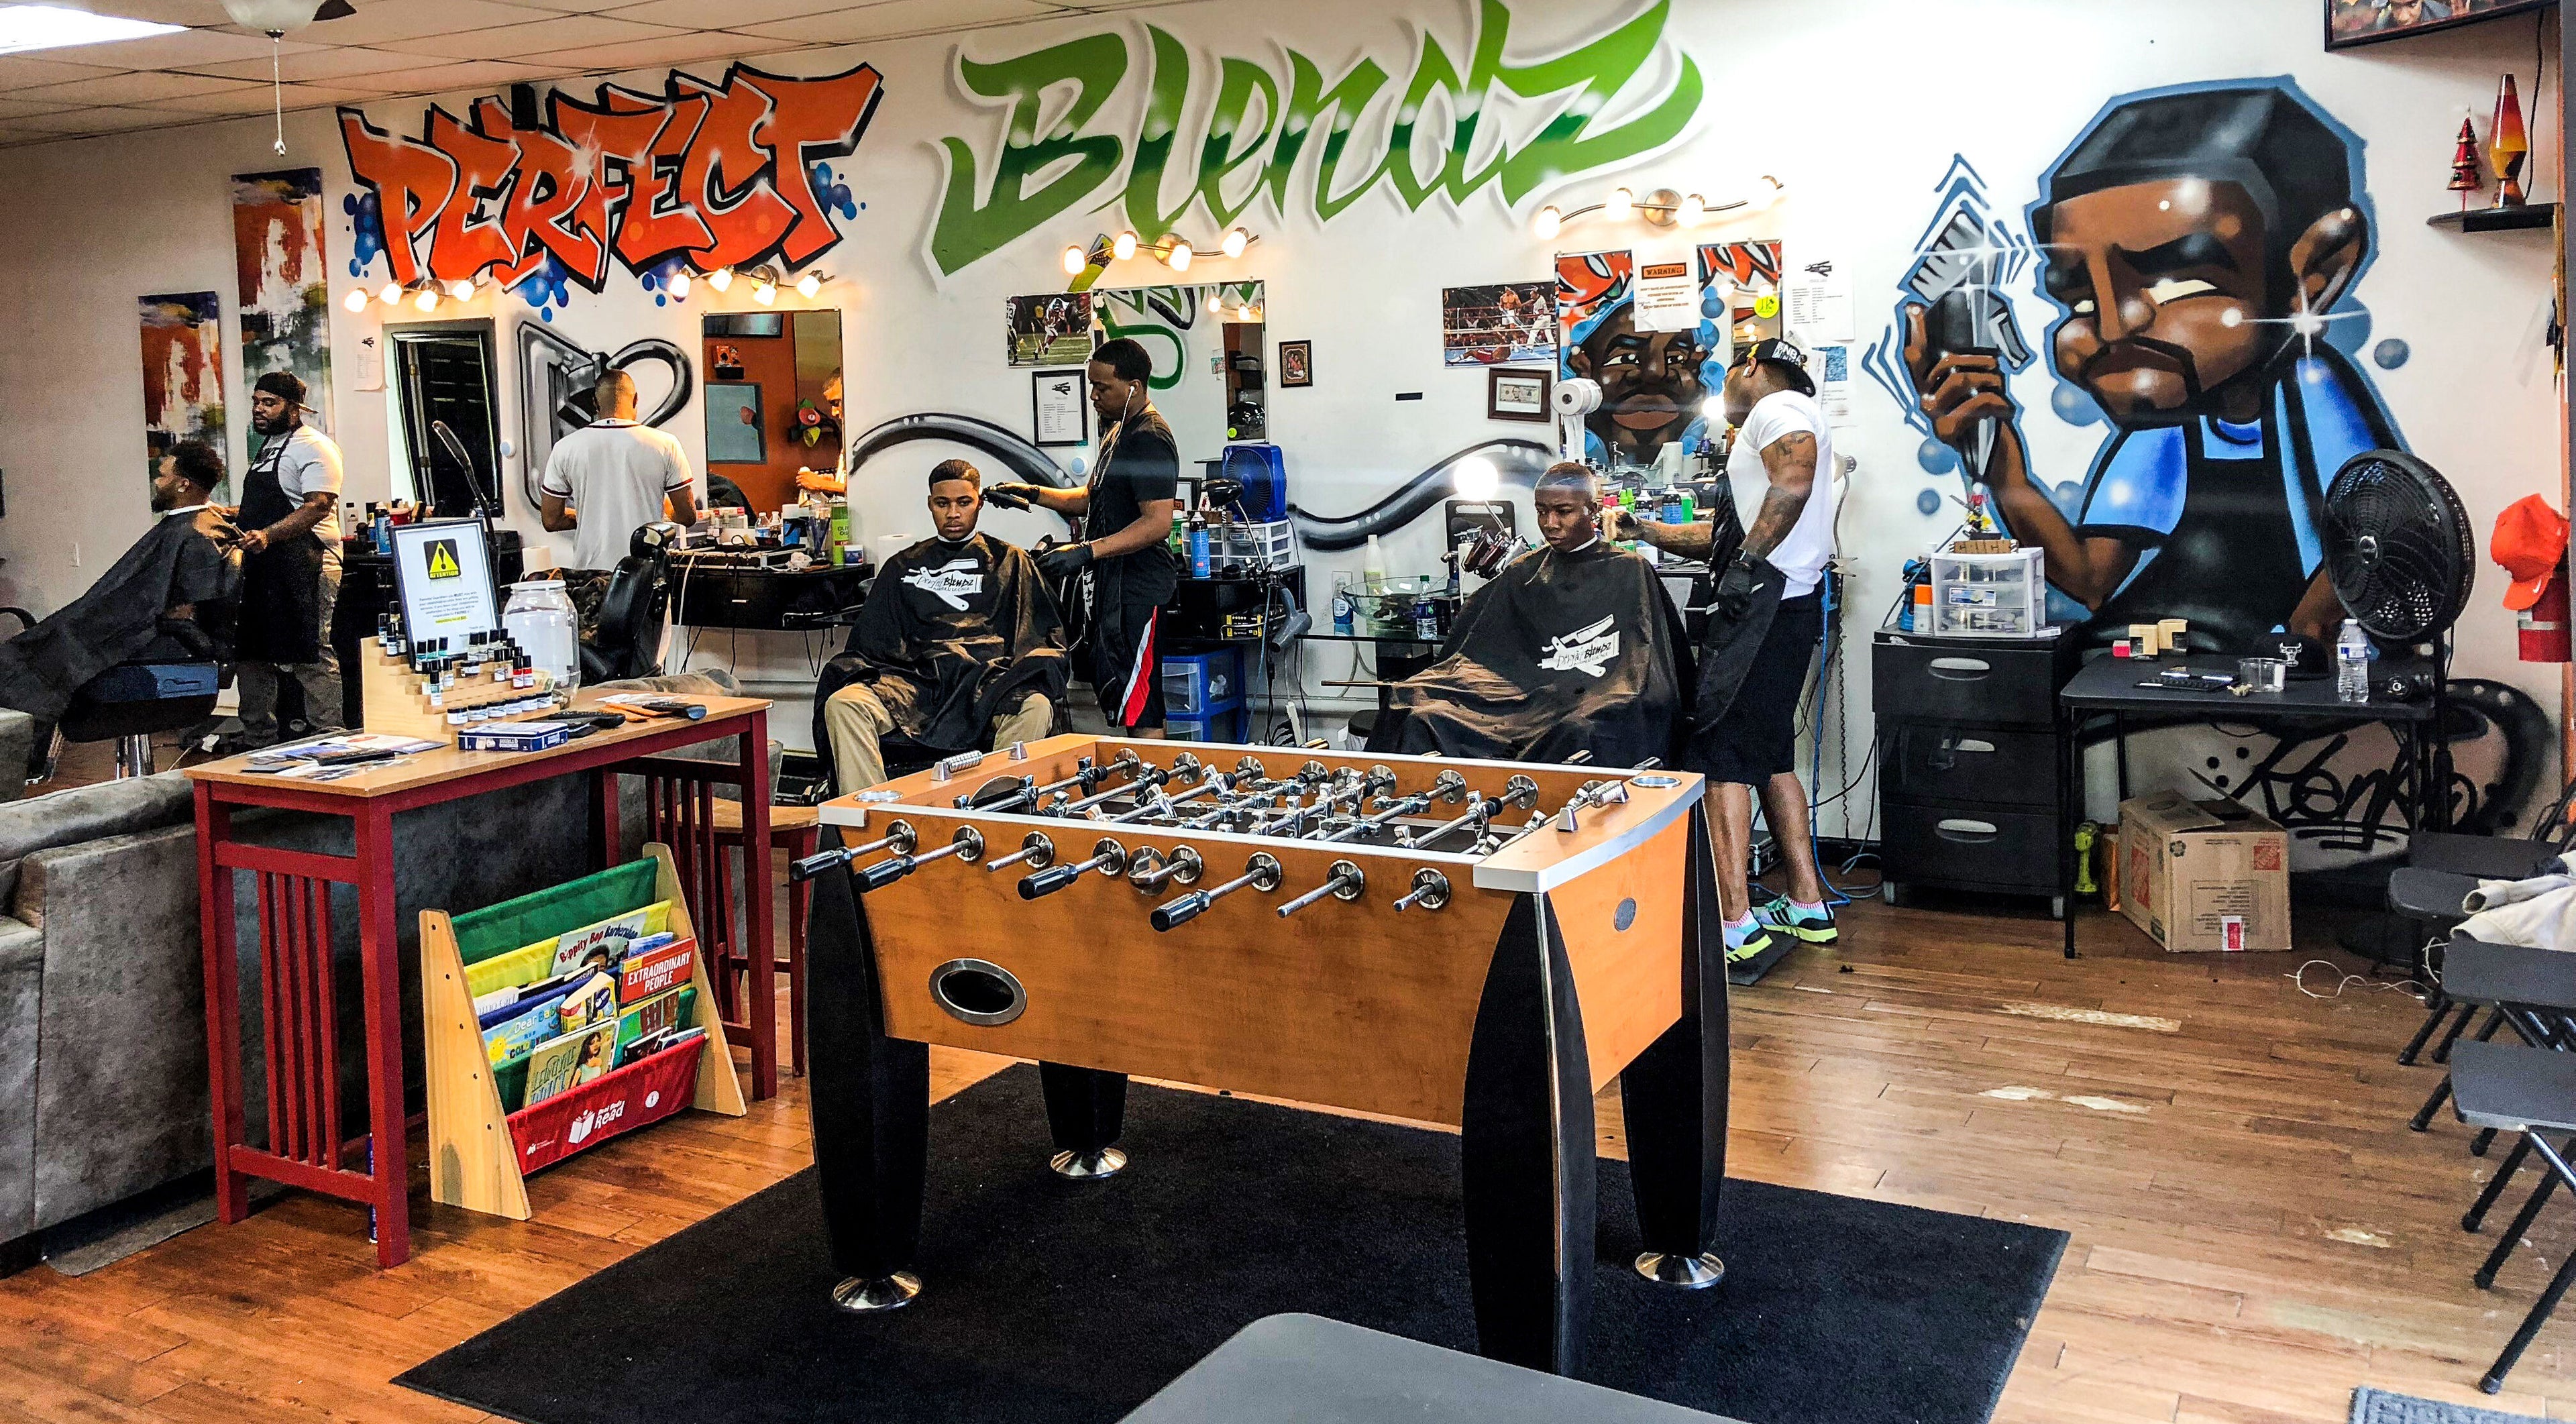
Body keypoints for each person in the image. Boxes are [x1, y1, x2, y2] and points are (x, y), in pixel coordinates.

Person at [1902, 81, 2395, 650]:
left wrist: (2305, 635)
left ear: (2313, 272)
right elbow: (2089, 580)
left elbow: (2381, 530)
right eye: (2080, 299)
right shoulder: (2168, 426)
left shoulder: (2312, 395)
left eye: (2178, 279)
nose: (2113, 330)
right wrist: (2004, 466)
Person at [1613, 337, 1837, 963]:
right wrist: (1647, 531)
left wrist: (1746, 566)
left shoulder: (1776, 408)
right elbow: (1726, 531)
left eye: (1731, 373)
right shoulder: (1786, 420)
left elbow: (1795, 477)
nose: (1727, 386)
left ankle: (1732, 919)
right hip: (1788, 606)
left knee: (1719, 755)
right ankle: (1806, 901)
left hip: (1762, 609)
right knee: (1769, 755)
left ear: (1754, 369)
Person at [1382, 462, 1689, 767]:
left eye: (1563, 511)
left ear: (1592, 511)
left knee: (1583, 729)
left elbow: (1644, 664)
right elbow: (1479, 645)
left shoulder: (1629, 570)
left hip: (1592, 692)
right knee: (1414, 704)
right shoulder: (1524, 570)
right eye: (1542, 511)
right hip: (1516, 692)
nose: (1550, 523)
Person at [812, 460, 1068, 791]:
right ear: (930, 504)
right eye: (942, 503)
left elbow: (1040, 638)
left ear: (979, 502)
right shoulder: (903, 566)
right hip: (915, 682)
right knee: (844, 705)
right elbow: (875, 643)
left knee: (1035, 707)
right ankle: (874, 820)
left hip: (986, 682)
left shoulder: (1010, 562)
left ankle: (992, 811)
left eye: (964, 503)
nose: (953, 513)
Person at [988, 337, 1181, 738]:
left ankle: (1150, 792)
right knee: (1124, 697)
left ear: (1134, 387)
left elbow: (1157, 522)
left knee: (1140, 701)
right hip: (1115, 585)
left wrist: (1087, 552)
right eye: (1091, 385)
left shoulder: (1149, 438)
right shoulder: (1117, 432)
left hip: (1140, 588)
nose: (1093, 396)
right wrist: (1032, 493)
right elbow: (1090, 499)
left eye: (1103, 387)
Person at [0, 441, 241, 738]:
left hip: (154, 645)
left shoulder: (192, 533)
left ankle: (22, 751)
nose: (156, 481)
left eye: (163, 475)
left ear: (183, 484)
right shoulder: (204, 526)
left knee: (36, 653)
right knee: (38, 647)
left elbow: (189, 609)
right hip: (130, 630)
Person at [539, 369, 700, 637]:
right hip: (646, 579)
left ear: (594, 403)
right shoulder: (665, 445)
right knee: (647, 667)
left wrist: (591, 514)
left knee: (596, 664)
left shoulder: (566, 448)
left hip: (591, 582)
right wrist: (661, 511)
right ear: (635, 400)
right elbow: (687, 515)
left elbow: (551, 520)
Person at [231, 372, 346, 747]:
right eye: (256, 402)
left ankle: (329, 737)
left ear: (294, 409)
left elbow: (316, 506)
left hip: (309, 560)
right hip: (265, 563)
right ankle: (257, 740)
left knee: (310, 649)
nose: (259, 410)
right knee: (253, 651)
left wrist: (268, 534)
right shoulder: (268, 448)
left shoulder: (315, 447)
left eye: (269, 403)